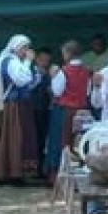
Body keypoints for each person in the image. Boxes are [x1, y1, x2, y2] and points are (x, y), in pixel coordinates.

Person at [0, 34, 40, 184]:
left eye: (27, 48)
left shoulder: (15, 61)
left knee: (17, 137)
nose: (26, 51)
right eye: (24, 48)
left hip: (20, 104)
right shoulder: (11, 61)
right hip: (13, 106)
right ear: (16, 48)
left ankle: (14, 172)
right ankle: (10, 173)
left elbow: (27, 82)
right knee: (14, 138)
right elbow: (21, 80)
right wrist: (28, 62)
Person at [45, 40, 91, 182]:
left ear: (68, 53)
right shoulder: (87, 71)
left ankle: (57, 175)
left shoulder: (64, 71)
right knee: (78, 143)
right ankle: (77, 176)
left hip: (64, 111)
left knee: (61, 142)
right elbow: (88, 92)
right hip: (82, 112)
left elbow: (57, 91)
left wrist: (53, 77)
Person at [30, 47, 53, 178]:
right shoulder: (29, 72)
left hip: (44, 110)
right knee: (31, 138)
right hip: (31, 109)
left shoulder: (49, 74)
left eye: (48, 60)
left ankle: (40, 169)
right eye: (43, 59)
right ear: (37, 59)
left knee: (42, 139)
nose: (45, 63)